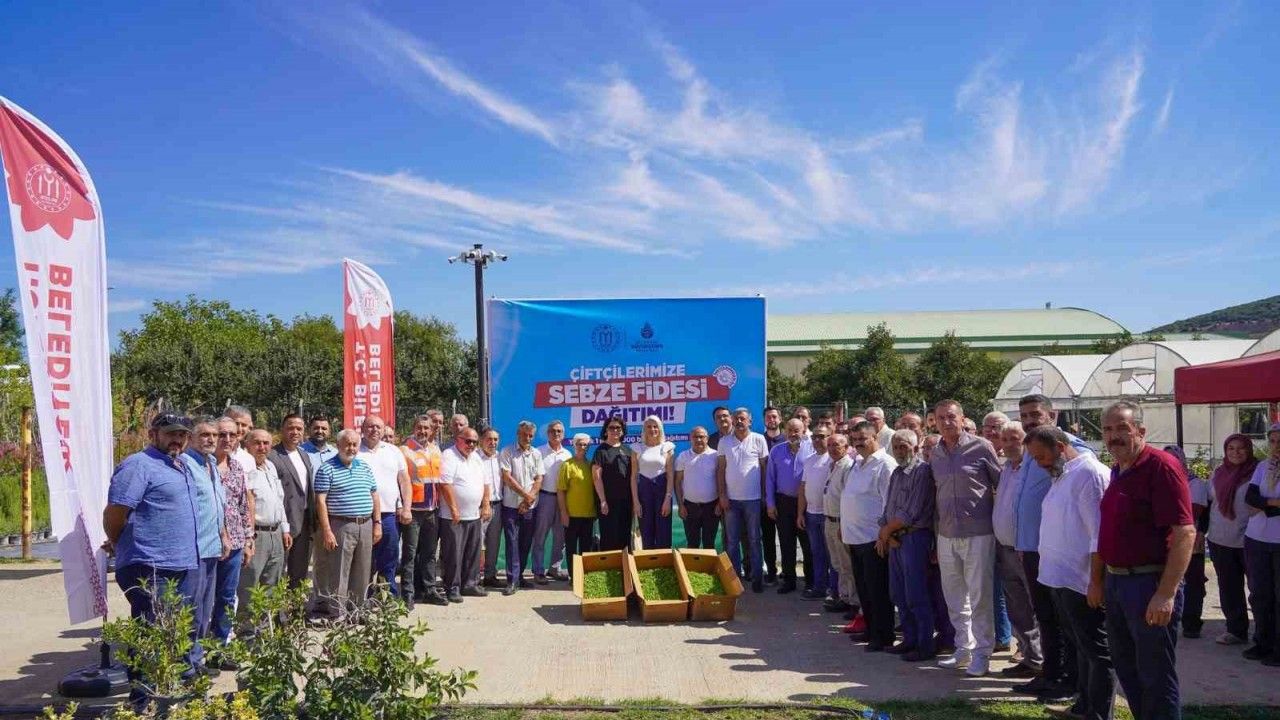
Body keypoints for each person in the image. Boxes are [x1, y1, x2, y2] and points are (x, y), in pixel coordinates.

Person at [1091, 401, 1195, 719]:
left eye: (1122, 428)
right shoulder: (1118, 469)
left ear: (1140, 430)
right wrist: (1098, 580)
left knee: (1155, 672)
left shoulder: (1160, 466)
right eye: (1107, 429)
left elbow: (1185, 533)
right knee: (1127, 668)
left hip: (1148, 583)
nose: (1114, 436)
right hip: (1117, 582)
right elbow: (1107, 530)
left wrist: (1165, 594)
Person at [1030, 426, 1115, 720]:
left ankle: (1098, 713)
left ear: (1059, 446)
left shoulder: (1090, 474)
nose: (1039, 463)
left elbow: (1099, 535)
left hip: (1081, 581)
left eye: (1041, 456)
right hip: (1060, 578)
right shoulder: (1063, 474)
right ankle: (1083, 706)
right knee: (1080, 646)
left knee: (1096, 650)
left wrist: (1096, 582)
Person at [1015, 394, 1091, 701]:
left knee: (1065, 620)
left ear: (1053, 415)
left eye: (1035, 414)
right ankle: (1050, 673)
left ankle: (1069, 679)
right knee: (1046, 616)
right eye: (1024, 416)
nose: (1029, 420)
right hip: (1033, 547)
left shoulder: (1073, 450)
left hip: (1058, 551)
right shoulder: (1031, 449)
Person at [104, 413, 201, 636]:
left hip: (182, 563)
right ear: (152, 434)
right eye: (170, 434)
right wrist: (118, 542)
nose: (177, 439)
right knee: (154, 634)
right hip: (149, 566)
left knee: (176, 632)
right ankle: (140, 663)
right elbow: (115, 513)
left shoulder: (183, 464)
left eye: (182, 435)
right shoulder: (138, 465)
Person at [929, 399, 1002, 677]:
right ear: (934, 421)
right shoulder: (935, 453)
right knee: (955, 597)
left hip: (978, 533)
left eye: (951, 417)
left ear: (962, 419)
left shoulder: (981, 447)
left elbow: (1000, 484)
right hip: (946, 534)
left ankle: (983, 654)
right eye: (940, 418)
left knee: (980, 596)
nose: (946, 422)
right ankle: (963, 649)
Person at [878, 429, 939, 661]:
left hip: (914, 538)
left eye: (904, 446)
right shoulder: (897, 472)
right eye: (896, 447)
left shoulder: (922, 472)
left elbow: (910, 513)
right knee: (899, 593)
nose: (899, 451)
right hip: (896, 538)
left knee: (916, 593)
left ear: (915, 447)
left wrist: (886, 531)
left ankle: (924, 645)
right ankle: (909, 639)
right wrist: (885, 532)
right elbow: (889, 508)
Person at [990, 420, 1044, 679]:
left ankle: (1045, 661)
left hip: (1027, 549)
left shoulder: (1033, 470)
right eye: (1006, 439)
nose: (1010, 444)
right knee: (1017, 608)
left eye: (1016, 439)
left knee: (1037, 606)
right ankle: (1030, 656)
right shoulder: (1006, 470)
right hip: (1005, 548)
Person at [312, 429, 381, 619]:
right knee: (339, 571)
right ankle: (338, 613)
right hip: (341, 525)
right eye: (347, 444)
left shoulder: (364, 467)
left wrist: (377, 523)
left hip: (365, 524)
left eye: (354, 445)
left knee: (363, 571)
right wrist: (327, 530)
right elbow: (320, 501)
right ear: (338, 445)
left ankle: (357, 611)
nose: (351, 448)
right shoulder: (326, 468)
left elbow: (374, 495)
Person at [842, 421, 898, 651]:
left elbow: (889, 503)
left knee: (878, 591)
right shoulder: (857, 463)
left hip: (873, 539)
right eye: (854, 440)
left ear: (875, 437)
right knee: (864, 589)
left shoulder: (885, 464)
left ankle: (883, 636)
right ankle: (871, 629)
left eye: (863, 439)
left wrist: (884, 536)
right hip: (854, 537)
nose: (858, 444)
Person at [179, 419, 229, 670]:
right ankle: (186, 664)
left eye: (214, 435)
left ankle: (196, 659)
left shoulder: (211, 463)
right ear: (191, 438)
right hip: (194, 549)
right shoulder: (184, 464)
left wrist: (223, 534)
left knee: (205, 608)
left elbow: (217, 504)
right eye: (204, 435)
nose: (211, 439)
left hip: (212, 546)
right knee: (191, 608)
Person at [1206, 433, 1259, 646]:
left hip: (1251, 540)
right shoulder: (1218, 473)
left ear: (1249, 449)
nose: (1236, 452)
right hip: (1220, 539)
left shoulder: (1258, 472)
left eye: (1241, 448)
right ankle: (1236, 631)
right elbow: (1210, 502)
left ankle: (1265, 633)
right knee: (1229, 588)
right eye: (1231, 448)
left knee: (1259, 589)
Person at [238, 428, 290, 629]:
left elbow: (279, 500)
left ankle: (264, 631)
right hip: (257, 534)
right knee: (249, 587)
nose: (262, 447)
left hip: (275, 533)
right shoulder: (245, 468)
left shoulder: (271, 467)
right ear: (247, 445)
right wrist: (248, 537)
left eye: (266, 443)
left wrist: (285, 528)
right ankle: (246, 633)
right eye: (257, 443)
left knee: (271, 585)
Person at [211, 417, 252, 661]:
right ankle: (195, 650)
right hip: (207, 544)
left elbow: (242, 506)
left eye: (232, 435)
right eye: (222, 434)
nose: (227, 439)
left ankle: (219, 648)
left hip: (235, 543)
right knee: (203, 598)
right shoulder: (200, 466)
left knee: (226, 597)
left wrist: (248, 539)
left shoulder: (236, 467)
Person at [357, 415, 412, 595]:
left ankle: (387, 597)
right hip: (362, 515)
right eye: (370, 426)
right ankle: (363, 597)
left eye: (378, 427)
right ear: (362, 429)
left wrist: (406, 508)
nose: (374, 430)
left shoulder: (393, 451)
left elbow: (404, 481)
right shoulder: (355, 450)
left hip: (388, 514)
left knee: (389, 558)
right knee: (364, 560)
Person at [717, 408, 770, 593]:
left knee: (755, 540)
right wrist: (722, 495)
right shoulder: (724, 441)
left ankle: (757, 578)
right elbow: (721, 470)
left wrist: (765, 495)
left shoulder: (759, 439)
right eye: (736, 419)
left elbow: (764, 469)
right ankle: (734, 582)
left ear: (750, 421)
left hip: (753, 500)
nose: (739, 421)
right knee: (732, 542)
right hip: (731, 500)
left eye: (743, 418)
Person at [438, 427, 492, 602]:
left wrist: (486, 505)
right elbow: (445, 484)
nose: (471, 445)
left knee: (472, 553)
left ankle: (470, 584)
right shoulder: (449, 455)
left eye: (475, 442)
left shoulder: (476, 457)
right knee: (453, 554)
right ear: (458, 439)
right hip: (454, 517)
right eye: (468, 441)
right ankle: (452, 588)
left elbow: (485, 483)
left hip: (474, 515)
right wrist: (454, 509)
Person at [400, 413, 447, 608]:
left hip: (432, 509)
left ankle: (429, 589)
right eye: (419, 427)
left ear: (431, 430)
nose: (423, 431)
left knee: (429, 553)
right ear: (414, 428)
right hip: (413, 509)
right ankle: (408, 594)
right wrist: (404, 508)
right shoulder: (405, 450)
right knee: (410, 554)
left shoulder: (435, 449)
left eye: (426, 428)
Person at [1243, 422, 1280, 665]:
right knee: (1260, 594)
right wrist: (1272, 503)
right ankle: (1262, 642)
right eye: (1273, 441)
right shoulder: (1263, 466)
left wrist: (1264, 504)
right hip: (1257, 538)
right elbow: (1250, 497)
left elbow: (1259, 502)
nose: (1276, 446)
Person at [1164, 445, 1208, 639]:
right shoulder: (1161, 481)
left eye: (1174, 458)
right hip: (1166, 541)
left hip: (1190, 540)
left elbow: (1191, 513)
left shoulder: (1194, 483)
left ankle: (1191, 624)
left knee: (1193, 583)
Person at [267, 414, 315, 588]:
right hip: (283, 521)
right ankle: (277, 606)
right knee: (278, 571)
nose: (295, 432)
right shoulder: (272, 455)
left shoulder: (304, 455)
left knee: (299, 570)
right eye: (290, 428)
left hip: (304, 520)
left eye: (299, 428)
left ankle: (295, 604)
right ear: (282, 430)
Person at [499, 420, 545, 595]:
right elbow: (507, 478)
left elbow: (539, 478)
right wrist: (526, 496)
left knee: (525, 543)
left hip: (530, 507)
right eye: (525, 434)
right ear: (518, 434)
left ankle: (520, 577)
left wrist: (528, 500)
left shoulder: (536, 454)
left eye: (531, 435)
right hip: (511, 506)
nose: (528, 438)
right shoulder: (507, 451)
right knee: (512, 543)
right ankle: (512, 581)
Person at [767, 418, 812, 594]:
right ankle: (789, 581)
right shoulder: (776, 451)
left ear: (803, 431)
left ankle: (810, 582)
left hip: (806, 504)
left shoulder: (812, 449)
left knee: (807, 544)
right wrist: (771, 504)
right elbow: (770, 479)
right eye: (790, 430)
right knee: (786, 543)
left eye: (797, 430)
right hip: (783, 502)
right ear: (785, 431)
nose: (793, 434)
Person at [822, 434, 860, 617]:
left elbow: (848, 498)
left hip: (840, 522)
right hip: (829, 520)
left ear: (846, 447)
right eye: (829, 445)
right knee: (838, 564)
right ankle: (844, 597)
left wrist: (843, 524)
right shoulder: (833, 465)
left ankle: (854, 602)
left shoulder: (848, 467)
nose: (832, 448)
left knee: (848, 565)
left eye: (836, 445)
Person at [533, 421, 572, 581]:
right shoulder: (538, 452)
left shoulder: (567, 454)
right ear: (548, 433)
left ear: (563, 434)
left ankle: (555, 568)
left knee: (560, 536)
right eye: (553, 431)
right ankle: (538, 570)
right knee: (540, 535)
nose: (556, 434)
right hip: (544, 497)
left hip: (563, 499)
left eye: (559, 431)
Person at [797, 426, 833, 600]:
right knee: (817, 553)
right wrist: (800, 513)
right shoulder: (809, 460)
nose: (817, 440)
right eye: (815, 437)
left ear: (830, 437)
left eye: (822, 436)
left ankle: (834, 591)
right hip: (811, 514)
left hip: (829, 516)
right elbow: (803, 488)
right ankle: (820, 587)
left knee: (832, 556)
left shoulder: (835, 460)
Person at [631, 416, 675, 550]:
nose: (652, 429)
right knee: (646, 531)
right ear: (644, 429)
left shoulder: (667, 447)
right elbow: (633, 477)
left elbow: (670, 475)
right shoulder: (637, 448)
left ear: (660, 428)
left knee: (663, 532)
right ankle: (648, 560)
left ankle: (664, 561)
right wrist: (636, 502)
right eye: (649, 427)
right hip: (644, 494)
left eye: (655, 426)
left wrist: (667, 499)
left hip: (662, 493)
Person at [593, 417, 635, 550]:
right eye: (611, 427)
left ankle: (624, 562)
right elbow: (596, 477)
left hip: (626, 501)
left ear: (622, 431)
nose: (615, 430)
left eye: (618, 428)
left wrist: (635, 501)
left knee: (625, 537)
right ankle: (609, 563)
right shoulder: (600, 451)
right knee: (609, 537)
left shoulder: (628, 451)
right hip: (608, 502)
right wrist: (603, 501)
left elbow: (633, 477)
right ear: (606, 431)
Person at [559, 433, 597, 578]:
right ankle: (574, 577)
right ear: (574, 445)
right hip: (572, 515)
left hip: (589, 514)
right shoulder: (567, 465)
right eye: (580, 444)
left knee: (586, 548)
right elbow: (561, 491)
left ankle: (584, 577)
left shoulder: (591, 465)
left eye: (586, 444)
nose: (583, 447)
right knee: (571, 548)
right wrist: (563, 513)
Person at [677, 426, 721, 550]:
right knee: (692, 543)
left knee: (709, 543)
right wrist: (681, 505)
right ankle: (692, 563)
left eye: (701, 437)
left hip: (712, 507)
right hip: (690, 507)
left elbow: (721, 481)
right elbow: (677, 482)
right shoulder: (683, 456)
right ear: (690, 439)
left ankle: (709, 563)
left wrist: (719, 503)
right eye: (695, 437)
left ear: (707, 438)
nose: (698, 439)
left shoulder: (716, 456)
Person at [477, 427, 505, 587]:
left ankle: (490, 576)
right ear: (482, 440)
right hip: (480, 506)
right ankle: (474, 577)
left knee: (494, 543)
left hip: (498, 505)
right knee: (477, 543)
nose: (492, 442)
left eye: (495, 439)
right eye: (489, 439)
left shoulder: (501, 458)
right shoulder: (475, 458)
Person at [759, 406, 784, 583]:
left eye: (774, 417)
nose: (771, 420)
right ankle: (772, 572)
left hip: (783, 497)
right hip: (763, 498)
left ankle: (788, 571)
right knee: (767, 538)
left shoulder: (787, 440)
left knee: (786, 537)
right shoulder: (759, 440)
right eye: (768, 417)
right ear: (764, 420)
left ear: (780, 419)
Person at [225, 405, 256, 476]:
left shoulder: (249, 459)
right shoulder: (211, 454)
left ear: (249, 428)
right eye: (236, 423)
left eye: (244, 425)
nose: (239, 429)